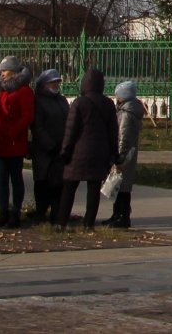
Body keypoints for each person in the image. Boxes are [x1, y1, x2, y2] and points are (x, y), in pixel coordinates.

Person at [55, 68, 116, 230]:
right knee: (94, 189)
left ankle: (61, 222)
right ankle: (88, 223)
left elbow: (70, 130)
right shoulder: (108, 104)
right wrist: (113, 154)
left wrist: (65, 151)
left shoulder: (79, 103)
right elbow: (113, 132)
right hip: (99, 153)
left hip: (78, 153)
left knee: (69, 187)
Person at [0, 54, 36, 228]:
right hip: (0, 142)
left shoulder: (24, 91)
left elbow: (27, 116)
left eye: (5, 70)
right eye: (1, 71)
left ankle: (15, 213)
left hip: (14, 142)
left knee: (16, 178)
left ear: (14, 72)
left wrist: (12, 131)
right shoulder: (3, 91)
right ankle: (2, 212)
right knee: (1, 181)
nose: (2, 74)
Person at [103, 79, 145, 228]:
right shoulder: (129, 109)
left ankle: (123, 216)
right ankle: (117, 214)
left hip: (125, 155)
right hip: (129, 153)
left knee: (122, 186)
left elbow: (124, 136)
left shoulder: (127, 114)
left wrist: (119, 156)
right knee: (120, 185)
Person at [28, 68, 69, 223]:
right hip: (44, 151)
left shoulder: (61, 100)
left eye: (57, 82)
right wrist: (49, 145)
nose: (56, 85)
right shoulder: (38, 101)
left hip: (61, 150)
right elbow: (37, 126)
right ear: (44, 84)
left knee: (58, 184)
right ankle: (40, 213)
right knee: (42, 183)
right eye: (53, 83)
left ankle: (56, 215)